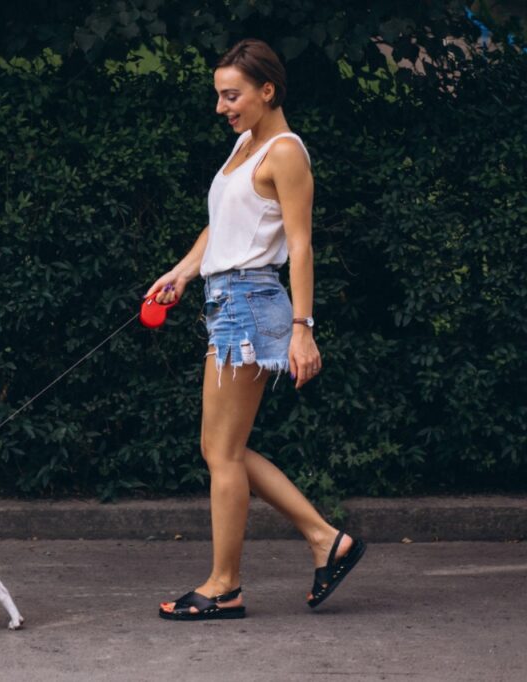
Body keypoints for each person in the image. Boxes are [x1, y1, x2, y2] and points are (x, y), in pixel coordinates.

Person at [146, 38, 365, 620]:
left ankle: (225, 585)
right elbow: (221, 227)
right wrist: (182, 273)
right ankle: (325, 540)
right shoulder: (246, 144)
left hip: (251, 303)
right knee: (226, 450)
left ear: (267, 91)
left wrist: (302, 328)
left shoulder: (285, 153)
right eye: (220, 96)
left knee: (221, 453)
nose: (222, 107)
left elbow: (300, 245)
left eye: (232, 95)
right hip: (225, 298)